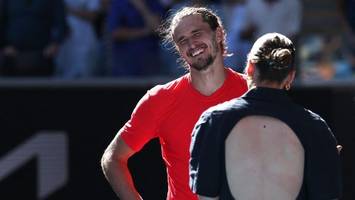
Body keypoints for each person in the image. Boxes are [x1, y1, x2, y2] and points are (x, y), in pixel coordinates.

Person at [101, 6, 248, 200]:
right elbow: (112, 158)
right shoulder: (160, 100)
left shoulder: (254, 91)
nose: (192, 44)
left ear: (219, 34)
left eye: (197, 34)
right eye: (182, 40)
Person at [189, 33, 342, 199]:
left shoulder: (213, 121)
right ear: (290, 76)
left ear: (250, 68)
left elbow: (206, 196)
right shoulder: (315, 128)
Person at [0, 0, 67, 77]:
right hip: (12, 57)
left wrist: (55, 44)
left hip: (42, 56)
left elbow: (61, 24)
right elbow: (2, 22)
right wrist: (4, 46)